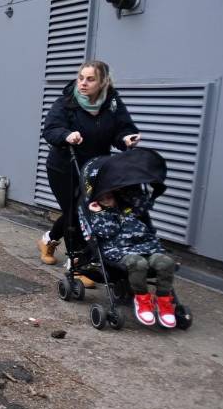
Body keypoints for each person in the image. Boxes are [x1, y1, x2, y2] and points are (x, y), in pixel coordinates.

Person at [38, 60, 140, 287]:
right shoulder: (67, 101)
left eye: (90, 79)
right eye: (81, 78)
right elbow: (51, 129)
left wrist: (126, 138)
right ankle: (77, 263)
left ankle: (48, 240)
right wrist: (66, 135)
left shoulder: (112, 103)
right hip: (64, 167)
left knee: (82, 209)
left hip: (95, 168)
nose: (83, 83)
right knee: (75, 211)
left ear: (103, 82)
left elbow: (122, 128)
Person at [82, 184, 177, 328]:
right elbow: (107, 232)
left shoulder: (129, 207)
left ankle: (164, 300)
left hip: (146, 247)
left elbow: (144, 208)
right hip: (120, 251)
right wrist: (100, 213)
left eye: (109, 197)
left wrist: (149, 191)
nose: (106, 200)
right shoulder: (98, 214)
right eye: (102, 199)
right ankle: (142, 299)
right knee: (138, 263)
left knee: (166, 262)